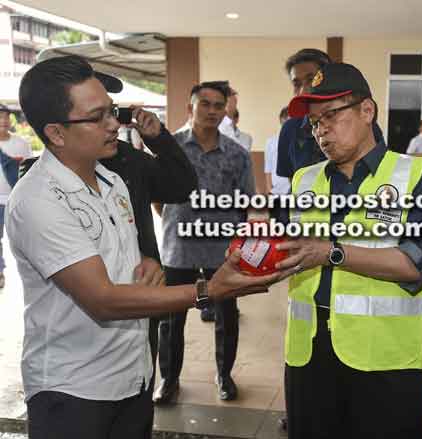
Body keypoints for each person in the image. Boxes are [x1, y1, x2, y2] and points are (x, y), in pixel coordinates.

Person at [9, 55, 282, 439]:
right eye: (98, 117)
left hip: (131, 377)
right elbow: (102, 300)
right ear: (55, 133)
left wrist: (147, 262)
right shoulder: (39, 200)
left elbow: (129, 262)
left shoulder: (112, 180)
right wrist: (210, 290)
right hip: (73, 391)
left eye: (113, 113)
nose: (113, 126)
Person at [277, 62, 422, 439]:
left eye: (331, 116)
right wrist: (257, 253)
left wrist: (332, 252)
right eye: (315, 123)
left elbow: (417, 263)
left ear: (367, 111)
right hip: (308, 353)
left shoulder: (415, 174)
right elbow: (292, 250)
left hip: (383, 358)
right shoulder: (304, 180)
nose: (321, 130)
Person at [155, 82, 256, 404]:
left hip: (221, 251)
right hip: (179, 247)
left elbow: (244, 202)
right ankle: (169, 380)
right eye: (205, 104)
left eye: (218, 105)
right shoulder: (170, 148)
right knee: (172, 319)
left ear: (226, 109)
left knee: (226, 314)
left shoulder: (237, 154)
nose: (212, 111)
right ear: (191, 108)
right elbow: (158, 197)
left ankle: (224, 376)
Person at [276, 48, 385, 181]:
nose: (303, 90)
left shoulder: (364, 126)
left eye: (311, 80)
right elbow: (293, 180)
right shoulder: (290, 129)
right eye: (297, 84)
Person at [0, 103, 31, 288]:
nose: (3, 121)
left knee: (25, 240)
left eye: (6, 117)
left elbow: (28, 173)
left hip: (16, 200)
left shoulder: (21, 143)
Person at [264, 107, 290, 194]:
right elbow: (268, 167)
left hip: (294, 189)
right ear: (281, 121)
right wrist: (269, 190)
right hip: (276, 190)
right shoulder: (271, 142)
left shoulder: (299, 141)